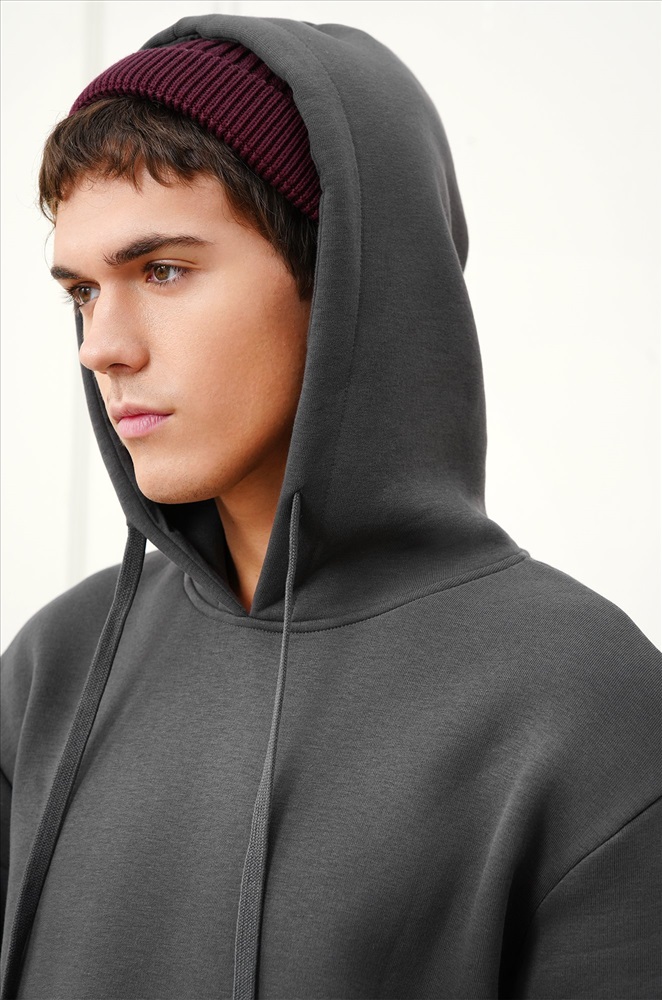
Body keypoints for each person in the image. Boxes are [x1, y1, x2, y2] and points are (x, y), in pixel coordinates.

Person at [0, 12, 660, 1000]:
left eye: (163, 270)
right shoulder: (53, 667)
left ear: (346, 277)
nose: (102, 346)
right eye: (81, 292)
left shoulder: (585, 707)